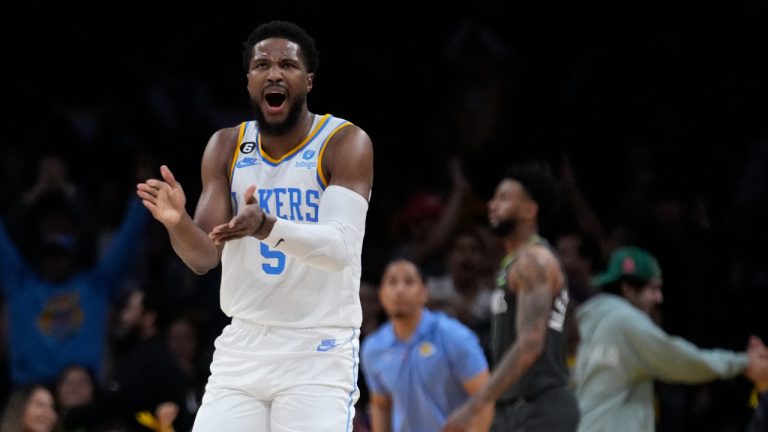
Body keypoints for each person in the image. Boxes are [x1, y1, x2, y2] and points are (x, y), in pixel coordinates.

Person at [136, 20, 373, 432]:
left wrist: (267, 226)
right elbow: (204, 258)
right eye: (262, 65)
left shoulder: (344, 142)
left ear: (308, 80)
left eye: (288, 64)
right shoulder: (226, 145)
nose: (274, 72)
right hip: (243, 344)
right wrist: (177, 224)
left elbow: (340, 250)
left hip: (316, 346)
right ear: (249, 82)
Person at [444, 164, 579, 432]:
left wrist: (475, 406)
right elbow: (572, 332)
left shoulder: (533, 261)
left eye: (504, 198)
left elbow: (530, 344)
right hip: (518, 407)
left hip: (537, 407)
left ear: (530, 210)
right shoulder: (516, 263)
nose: (493, 205)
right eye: (494, 198)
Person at [573, 246, 768, 432]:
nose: (659, 298)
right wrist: (743, 362)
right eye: (653, 288)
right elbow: (682, 361)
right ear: (627, 289)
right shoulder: (624, 320)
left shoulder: (587, 319)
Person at [361, 259, 492, 432]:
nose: (400, 290)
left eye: (409, 282)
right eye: (392, 282)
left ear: (424, 292)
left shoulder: (453, 336)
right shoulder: (373, 348)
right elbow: (381, 405)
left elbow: (484, 397)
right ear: (381, 295)